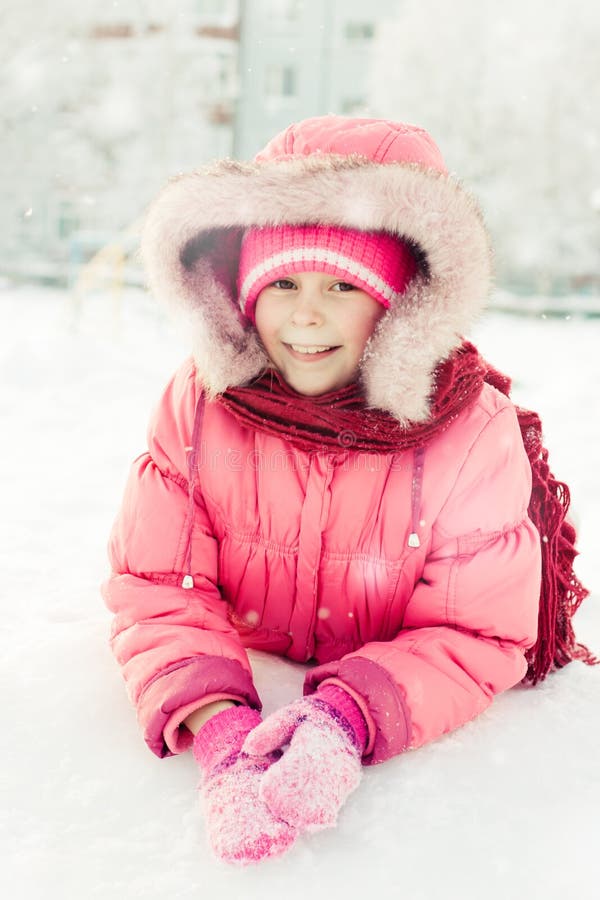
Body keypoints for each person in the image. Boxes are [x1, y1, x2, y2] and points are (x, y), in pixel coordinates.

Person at [101, 115, 595, 865]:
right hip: (247, 675)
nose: (306, 313)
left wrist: (348, 717)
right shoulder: (202, 403)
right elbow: (157, 583)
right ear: (242, 294)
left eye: (343, 285)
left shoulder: (467, 431)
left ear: (400, 307)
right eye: (284, 283)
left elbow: (480, 629)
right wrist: (218, 722)